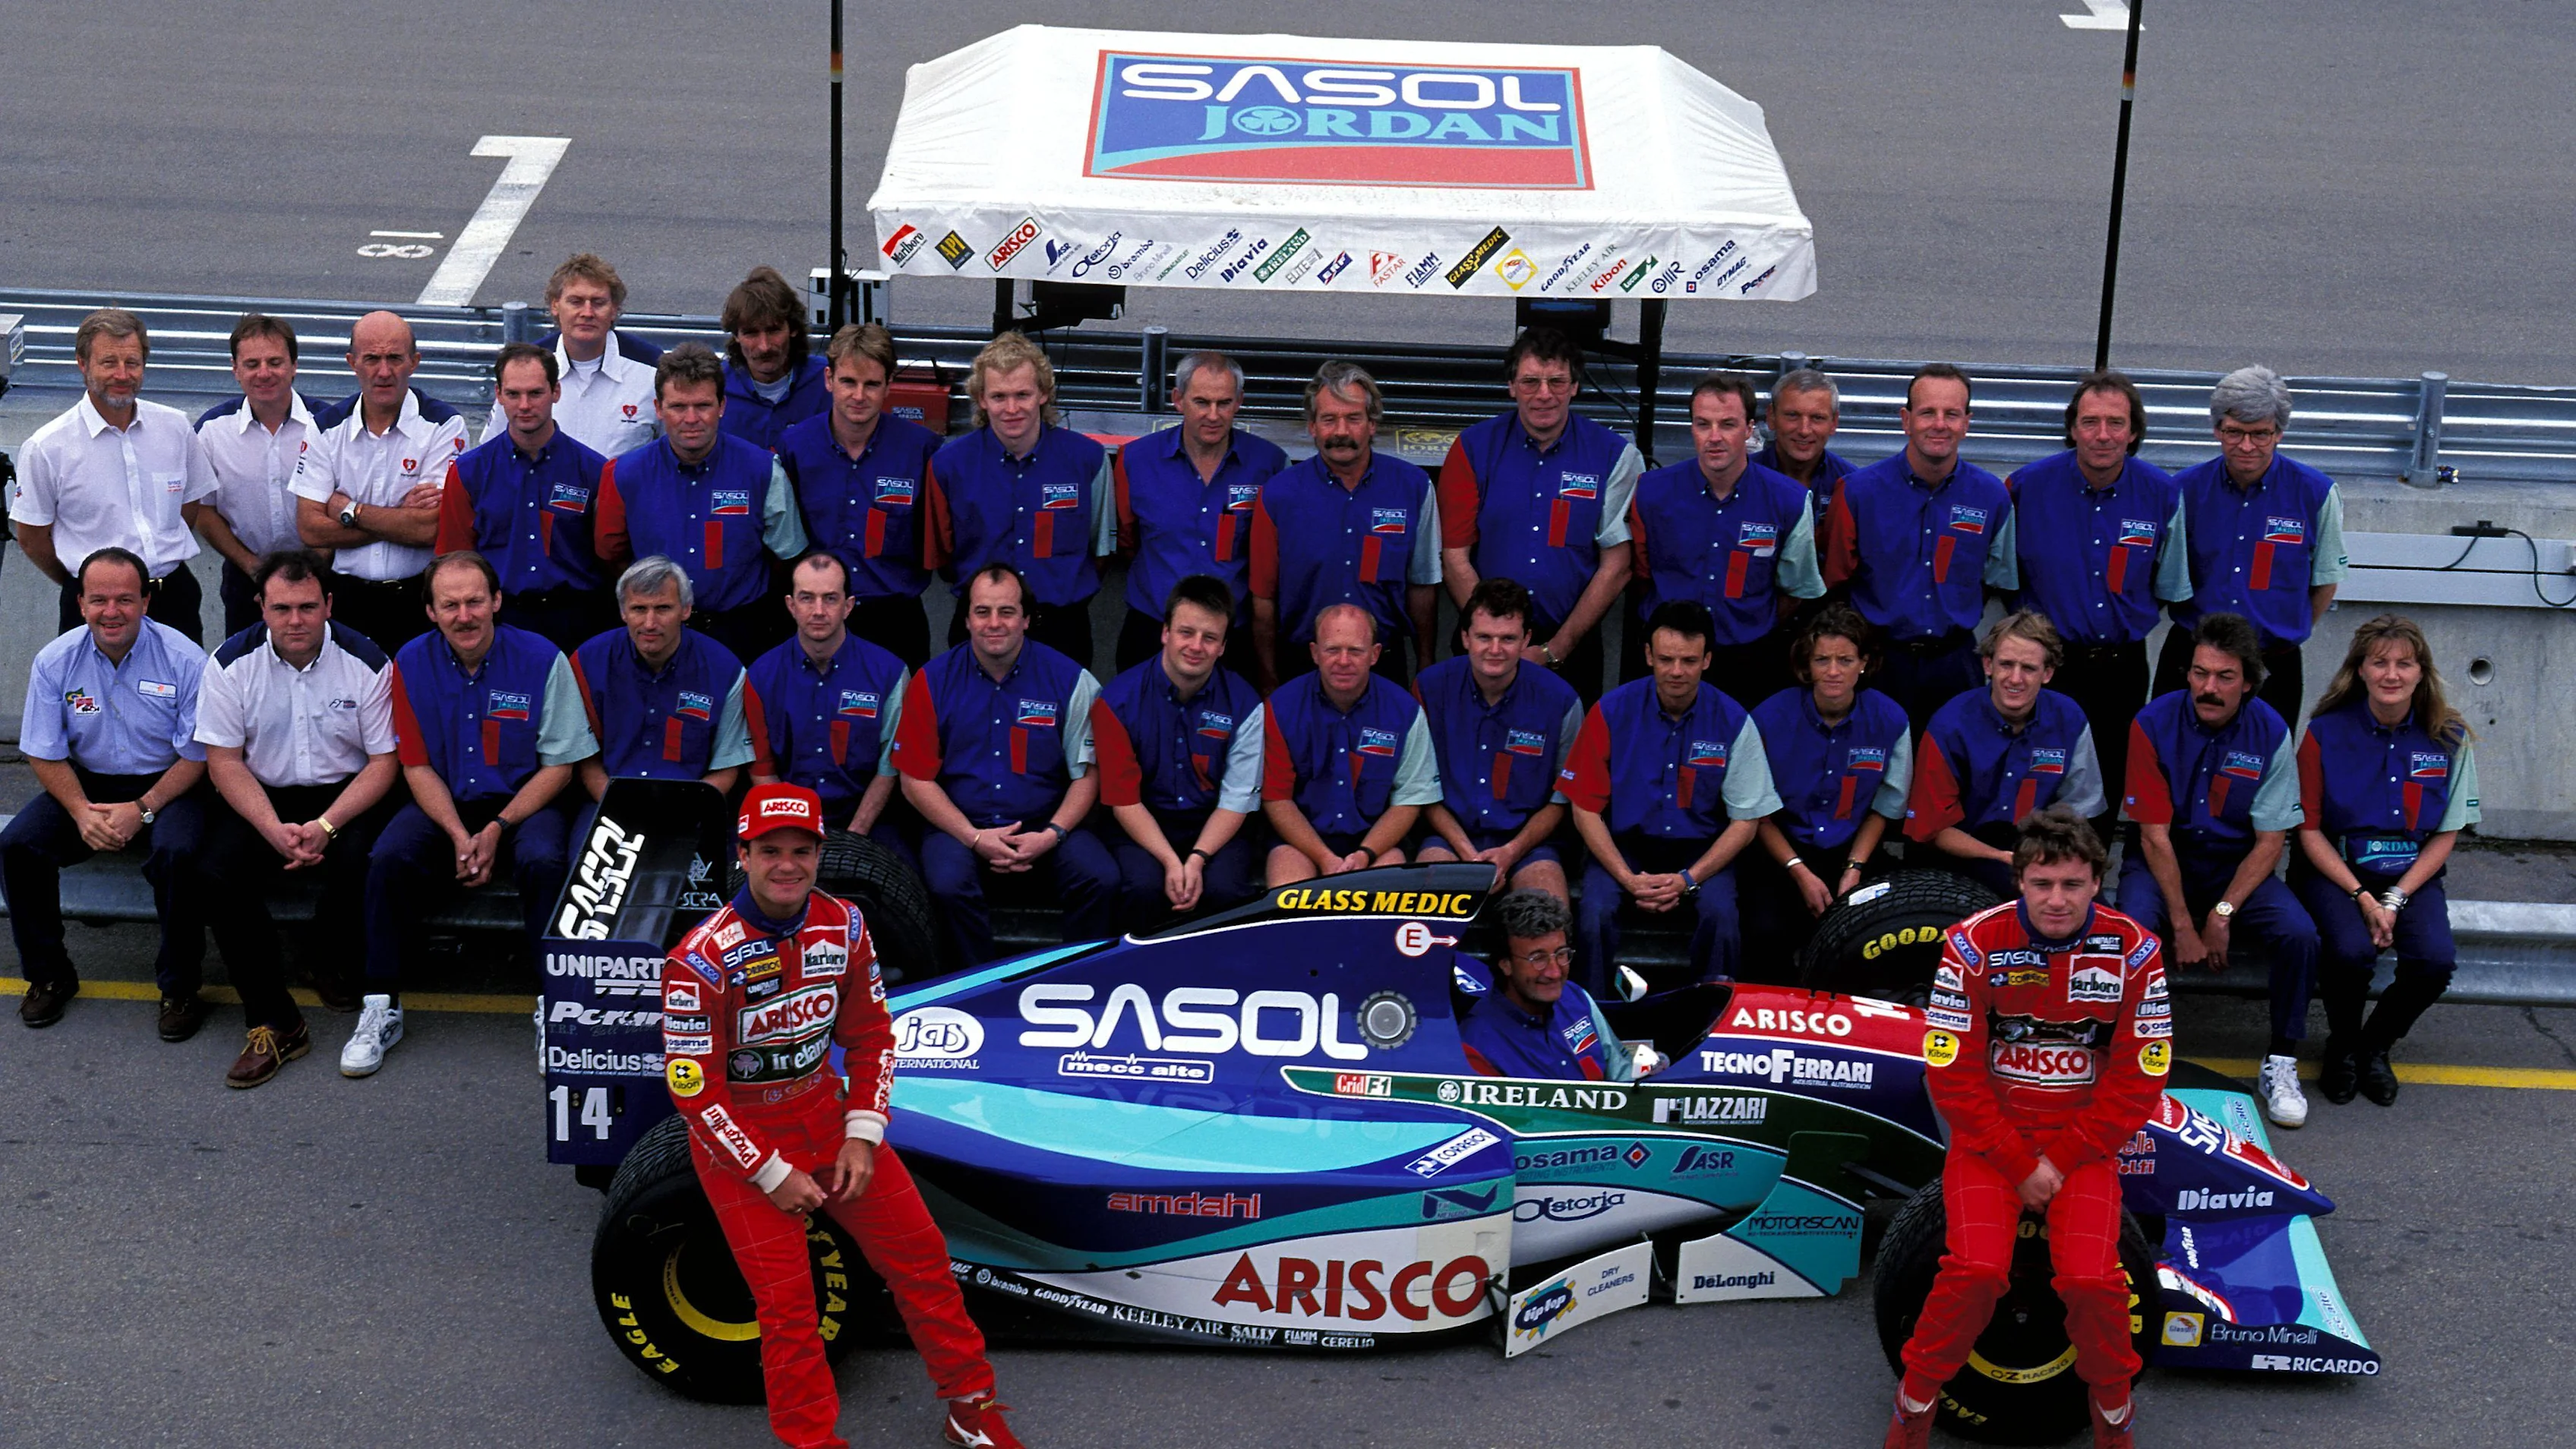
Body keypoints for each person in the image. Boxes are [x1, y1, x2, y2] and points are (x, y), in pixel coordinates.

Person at [661, 782, 1026, 1449]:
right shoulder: (700, 959)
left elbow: (872, 1037)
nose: (787, 865)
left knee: (924, 1266)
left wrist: (864, 1132)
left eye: (802, 850)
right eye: (770, 850)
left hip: (828, 1120)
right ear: (742, 855)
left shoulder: (846, 925)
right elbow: (694, 1094)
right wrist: (769, 1173)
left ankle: (971, 1405)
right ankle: (811, 1442)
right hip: (739, 1145)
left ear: (820, 852)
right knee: (789, 1309)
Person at [1881, 806, 2162, 1449]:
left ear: (2097, 882)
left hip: (2083, 1147)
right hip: (1989, 1143)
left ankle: (2114, 1421)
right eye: (2042, 884)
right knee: (1976, 1273)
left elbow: (2140, 1080)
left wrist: (2057, 1165)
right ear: (2019, 882)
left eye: (2071, 884)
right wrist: (2018, 1163)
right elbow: (1950, 1076)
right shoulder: (1972, 944)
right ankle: (1913, 1410)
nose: (2056, 900)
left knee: (2093, 1281)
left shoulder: (2136, 952)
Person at [361, 551, 596, 1077]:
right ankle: (380, 1004)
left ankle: (554, 1007)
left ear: (496, 601)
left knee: (542, 863)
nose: (464, 615)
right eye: (450, 605)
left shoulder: (543, 659)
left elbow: (561, 763)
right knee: (388, 859)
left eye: (474, 601)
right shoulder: (409, 664)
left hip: (524, 801)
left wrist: (496, 829)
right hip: (442, 798)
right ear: (430, 612)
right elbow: (416, 766)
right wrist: (456, 834)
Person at [194, 551, 399, 1086]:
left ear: (329, 604)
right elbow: (224, 762)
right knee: (215, 873)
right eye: (281, 608)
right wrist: (271, 829)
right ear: (260, 606)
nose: (296, 621)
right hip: (262, 797)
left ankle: (325, 959)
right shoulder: (228, 664)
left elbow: (383, 764)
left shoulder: (369, 661)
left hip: (346, 795)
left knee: (368, 857)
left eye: (308, 607)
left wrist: (326, 826)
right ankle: (276, 1020)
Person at [2117, 612, 2319, 1127]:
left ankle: (2281, 1061)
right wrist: (2184, 924)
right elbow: (2153, 835)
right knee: (2135, 933)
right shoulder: (2151, 723)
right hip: (2166, 861)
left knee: (2299, 935)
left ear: (2247, 682)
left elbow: (2272, 841)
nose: (2209, 687)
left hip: (2235, 868)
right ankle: (2136, 1061)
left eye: (2225, 677)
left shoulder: (2271, 731)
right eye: (2200, 673)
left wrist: (2223, 913)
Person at [5, 548, 213, 1036]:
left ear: (146, 601)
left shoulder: (185, 659)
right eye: (99, 599)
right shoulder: (55, 660)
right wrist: (80, 812)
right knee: (18, 847)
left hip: (170, 785)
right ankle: (49, 976)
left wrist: (142, 809)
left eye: (125, 599)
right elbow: (43, 749)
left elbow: (200, 755)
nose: (111, 611)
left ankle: (180, 986)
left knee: (178, 855)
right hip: (89, 784)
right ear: (80, 604)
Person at [2290, 614, 2479, 1108]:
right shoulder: (2323, 734)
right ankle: (2342, 1047)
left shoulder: (2451, 736)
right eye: (2380, 663)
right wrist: (2361, 896)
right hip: (2336, 872)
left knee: (2435, 961)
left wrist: (2394, 898)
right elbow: (2308, 831)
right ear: (2360, 671)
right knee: (2351, 953)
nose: (2391, 674)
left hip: (2410, 878)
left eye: (2404, 663)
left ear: (2422, 672)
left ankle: (2374, 1046)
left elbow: (2447, 832)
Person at [892, 564, 1117, 965]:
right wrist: (974, 837)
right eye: (982, 612)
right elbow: (915, 781)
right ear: (966, 619)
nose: (994, 623)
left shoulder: (1072, 680)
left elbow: (1089, 774)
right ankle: (977, 987)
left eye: (1007, 612)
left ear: (1027, 619)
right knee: (945, 884)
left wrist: (1051, 835)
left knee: (1100, 878)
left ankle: (1079, 981)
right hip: (960, 826)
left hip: (1046, 825)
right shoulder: (932, 681)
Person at [1559, 601, 1781, 990]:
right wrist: (1628, 879)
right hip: (1624, 847)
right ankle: (1591, 1017)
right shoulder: (1610, 711)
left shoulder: (1734, 721)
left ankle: (1708, 1018)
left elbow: (1746, 822)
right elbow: (1584, 809)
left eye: (1689, 660)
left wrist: (1688, 880)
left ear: (1708, 660)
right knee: (1593, 915)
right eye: (1666, 659)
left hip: (1701, 851)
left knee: (1722, 918)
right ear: (1648, 655)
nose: (1676, 671)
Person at [2009, 371, 2189, 838]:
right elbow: (2002, 580)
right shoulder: (2026, 488)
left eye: (2116, 422)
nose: (2103, 435)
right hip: (2048, 668)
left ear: (2134, 432)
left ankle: (2088, 891)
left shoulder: (2162, 494)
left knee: (2106, 787)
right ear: (2072, 428)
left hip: (2121, 670)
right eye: (2090, 422)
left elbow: (2170, 586)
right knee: (2034, 782)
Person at [1435, 329, 1643, 702]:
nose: (1544, 394)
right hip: (1484, 649)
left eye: (1557, 382)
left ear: (1575, 386)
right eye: (1530, 381)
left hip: (1571, 646)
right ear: (1512, 385)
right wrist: (1495, 640)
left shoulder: (1616, 457)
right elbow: (1454, 558)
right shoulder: (1471, 449)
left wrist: (1555, 650)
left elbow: (1618, 565)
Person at [1820, 364, 2018, 731]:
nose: (1939, 424)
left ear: (1967, 422)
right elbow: (1835, 582)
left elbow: (1996, 579)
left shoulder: (1992, 497)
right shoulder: (1858, 493)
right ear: (1906, 420)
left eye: (1951, 414)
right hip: (1879, 663)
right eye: (1927, 413)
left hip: (1955, 663)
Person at [2155, 366, 2348, 724]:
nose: (2246, 446)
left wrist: (2282, 632)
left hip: (2272, 664)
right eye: (2234, 432)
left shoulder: (2317, 494)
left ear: (2279, 433)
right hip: (2192, 661)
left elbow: (2325, 581)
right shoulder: (2183, 491)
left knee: (2263, 773)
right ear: (2216, 430)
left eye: (2260, 434)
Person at [596, 343, 810, 665]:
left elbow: (787, 556)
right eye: (678, 407)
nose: (691, 419)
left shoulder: (763, 470)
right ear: (658, 408)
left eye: (703, 405)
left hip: (743, 636)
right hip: (657, 639)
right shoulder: (623, 474)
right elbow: (612, 556)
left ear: (722, 405)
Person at [12, 309, 217, 640]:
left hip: (173, 598)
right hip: (95, 609)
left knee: (183, 693)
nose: (122, 374)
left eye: (132, 363)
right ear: (83, 364)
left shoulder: (176, 428)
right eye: (109, 363)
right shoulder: (47, 447)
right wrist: (84, 582)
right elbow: (32, 538)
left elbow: (188, 507)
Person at [1624, 371, 1823, 707]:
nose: (1714, 437)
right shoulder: (1651, 492)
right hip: (1666, 659)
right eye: (1703, 424)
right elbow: (1641, 577)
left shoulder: (1789, 500)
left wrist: (1748, 624)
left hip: (1748, 662)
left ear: (1749, 429)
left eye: (1728, 425)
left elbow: (1796, 589)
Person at [1247, 361, 1442, 689]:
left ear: (1372, 424)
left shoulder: (1414, 488)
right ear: (1311, 426)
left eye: (1353, 419)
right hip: (1301, 666)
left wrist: (1424, 664)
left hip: (1385, 666)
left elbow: (1422, 585)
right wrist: (1268, 678)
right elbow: (1263, 599)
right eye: (1329, 419)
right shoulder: (1278, 495)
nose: (1341, 432)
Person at [1744, 604, 1914, 979]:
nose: (1834, 671)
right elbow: (1755, 810)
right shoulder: (1767, 719)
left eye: (1845, 659)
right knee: (1767, 931)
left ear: (1864, 663)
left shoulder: (1892, 721)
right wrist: (1799, 872)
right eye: (1822, 660)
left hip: (1853, 851)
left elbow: (1886, 807)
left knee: (1873, 932)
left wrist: (1854, 869)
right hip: (1781, 853)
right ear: (1807, 665)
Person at [1090, 576, 1267, 930]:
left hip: (1215, 824)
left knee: (1226, 891)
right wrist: (1172, 861)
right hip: (1143, 823)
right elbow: (1123, 800)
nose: (1196, 646)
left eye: (1210, 637)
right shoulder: (1115, 702)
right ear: (1165, 632)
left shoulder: (1247, 704)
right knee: (1142, 888)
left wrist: (1197, 859)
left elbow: (1237, 798)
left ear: (1223, 646)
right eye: (1186, 632)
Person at [926, 333, 1114, 665]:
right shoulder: (948, 465)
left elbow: (1100, 553)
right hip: (980, 630)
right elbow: (944, 558)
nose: (1011, 409)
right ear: (981, 399)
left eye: (1022, 395)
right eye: (999, 396)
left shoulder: (1088, 460)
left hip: (1061, 629)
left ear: (1043, 393)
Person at [291, 310, 470, 652]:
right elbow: (310, 528)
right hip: (346, 599)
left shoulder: (445, 425)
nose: (384, 372)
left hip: (421, 600)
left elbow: (430, 529)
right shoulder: (325, 428)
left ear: (414, 362)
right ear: (352, 362)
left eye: (395, 358)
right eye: (372, 358)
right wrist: (398, 517)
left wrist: (348, 509)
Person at [1905, 611, 2107, 898]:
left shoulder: (2070, 720)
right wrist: (2000, 857)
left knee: (2103, 918)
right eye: (2006, 665)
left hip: (2041, 851)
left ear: (2047, 673)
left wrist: (2044, 861)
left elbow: (2080, 811)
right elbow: (1933, 829)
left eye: (2028, 668)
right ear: (1988, 665)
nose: (2015, 679)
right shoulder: (1950, 725)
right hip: (1967, 854)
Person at [778, 323, 943, 668]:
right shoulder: (795, 448)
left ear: (889, 385)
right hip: (818, 617)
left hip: (895, 620)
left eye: (872, 385)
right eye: (848, 382)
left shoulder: (921, 450)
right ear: (828, 379)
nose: (858, 396)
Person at [1111, 351, 1286, 673]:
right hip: (1152, 632)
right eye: (1202, 402)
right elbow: (1127, 541)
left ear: (1239, 402)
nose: (1213, 415)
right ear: (1178, 400)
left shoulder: (1270, 464)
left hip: (1233, 638)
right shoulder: (1135, 460)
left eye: (1224, 403)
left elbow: (1275, 555)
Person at [435, 342, 613, 652]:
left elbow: (609, 558)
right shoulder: (468, 473)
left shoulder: (595, 471)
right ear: (498, 395)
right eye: (514, 394)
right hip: (500, 622)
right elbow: (453, 560)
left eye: (535, 393)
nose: (524, 405)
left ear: (556, 392)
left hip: (577, 621)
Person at [1413, 578, 1582, 901]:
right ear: (1464, 637)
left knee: (1547, 920)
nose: (1494, 650)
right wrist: (1468, 854)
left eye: (1507, 639)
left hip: (1529, 843)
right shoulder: (1430, 690)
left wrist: (1511, 851)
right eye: (1483, 637)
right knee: (1424, 916)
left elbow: (1562, 800)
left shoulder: (1561, 701)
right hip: (1448, 839)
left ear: (1526, 639)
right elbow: (1419, 789)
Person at [1259, 605, 1441, 886]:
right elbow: (1277, 799)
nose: (1343, 661)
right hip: (1301, 841)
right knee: (1289, 903)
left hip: (1376, 841)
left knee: (1384, 903)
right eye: (1332, 650)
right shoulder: (1281, 708)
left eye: (1355, 650)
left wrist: (1365, 854)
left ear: (1375, 654)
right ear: (1314, 653)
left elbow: (1410, 799)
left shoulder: (1405, 711)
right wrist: (1324, 858)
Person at [745, 552, 914, 854]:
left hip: (868, 819)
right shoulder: (760, 676)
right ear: (791, 605)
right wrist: (796, 835)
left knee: (911, 889)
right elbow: (762, 769)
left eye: (831, 599)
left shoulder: (890, 674)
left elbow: (889, 769)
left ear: (848, 606)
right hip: (787, 819)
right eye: (807, 598)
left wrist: (854, 837)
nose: (819, 611)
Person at [572, 557, 753, 803]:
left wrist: (678, 813)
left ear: (686, 609)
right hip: (608, 801)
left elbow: (727, 765)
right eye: (639, 609)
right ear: (623, 612)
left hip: (692, 806)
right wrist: (616, 807)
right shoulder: (587, 662)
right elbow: (586, 760)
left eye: (663, 608)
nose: (650, 623)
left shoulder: (726, 671)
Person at [195, 314, 325, 636]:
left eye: (275, 362)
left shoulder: (328, 424)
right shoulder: (211, 431)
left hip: (322, 577)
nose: (264, 373)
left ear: (294, 365)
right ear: (235, 369)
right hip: (246, 583)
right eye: (252, 364)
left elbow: (343, 499)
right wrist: (251, 565)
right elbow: (203, 509)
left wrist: (318, 565)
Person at [1456, 890, 1653, 1081]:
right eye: (1538, 959)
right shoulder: (1476, 1042)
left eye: (1561, 954)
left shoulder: (1577, 998)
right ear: (1505, 963)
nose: (1554, 972)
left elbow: (1623, 1078)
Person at [480, 252, 662, 457]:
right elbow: (491, 451)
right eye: (576, 302)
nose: (587, 313)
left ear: (614, 309)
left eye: (598, 302)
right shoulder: (526, 368)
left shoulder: (652, 370)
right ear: (555, 306)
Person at [718, 264, 828, 450]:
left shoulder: (829, 382)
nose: (764, 346)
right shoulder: (714, 386)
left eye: (773, 330)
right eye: (751, 333)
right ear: (736, 335)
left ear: (793, 328)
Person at [1751, 367, 1855, 518]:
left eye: (1817, 418)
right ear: (1771, 417)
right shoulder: (1739, 479)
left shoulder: (1851, 485)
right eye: (1793, 415)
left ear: (1834, 423)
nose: (1804, 430)